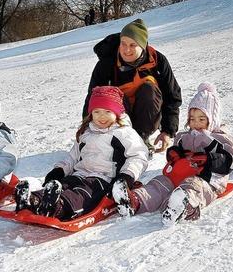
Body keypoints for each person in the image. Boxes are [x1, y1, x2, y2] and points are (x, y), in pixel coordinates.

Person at [112, 83, 233, 226]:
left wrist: (209, 159)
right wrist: (174, 154)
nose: (196, 123)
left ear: (213, 119)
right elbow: (174, 150)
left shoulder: (220, 138)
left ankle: (183, 207)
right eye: (192, 119)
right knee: (159, 183)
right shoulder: (183, 136)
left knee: (193, 186)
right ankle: (134, 201)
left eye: (201, 119)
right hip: (177, 175)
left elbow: (230, 161)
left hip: (207, 181)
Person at [14, 86, 148, 221]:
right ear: (91, 113)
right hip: (79, 173)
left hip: (104, 179)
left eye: (108, 111)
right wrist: (59, 170)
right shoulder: (86, 132)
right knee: (63, 184)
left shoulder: (124, 133)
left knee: (82, 194)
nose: (102, 117)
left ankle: (59, 206)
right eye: (97, 112)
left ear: (117, 112)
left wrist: (126, 177)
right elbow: (73, 157)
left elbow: (138, 156)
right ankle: (33, 200)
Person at [82, 18, 182, 154]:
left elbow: (172, 97)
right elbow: (93, 98)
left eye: (132, 45)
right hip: (117, 119)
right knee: (111, 94)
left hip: (147, 116)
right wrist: (86, 133)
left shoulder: (158, 61)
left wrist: (167, 131)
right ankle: (115, 141)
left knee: (149, 89)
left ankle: (141, 138)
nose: (126, 50)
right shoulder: (106, 64)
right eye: (123, 43)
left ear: (143, 45)